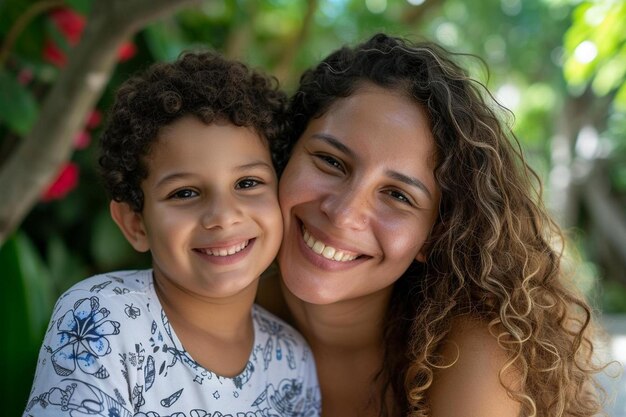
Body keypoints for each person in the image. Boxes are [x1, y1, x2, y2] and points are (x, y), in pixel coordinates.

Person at [258, 32, 605, 417]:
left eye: (398, 196)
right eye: (331, 161)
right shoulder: (207, 303)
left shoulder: (469, 353)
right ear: (286, 155)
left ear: (435, 235)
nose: (343, 213)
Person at [24, 51, 320, 417]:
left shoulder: (293, 363)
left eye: (247, 183)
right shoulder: (103, 317)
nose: (223, 216)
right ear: (135, 223)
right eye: (185, 193)